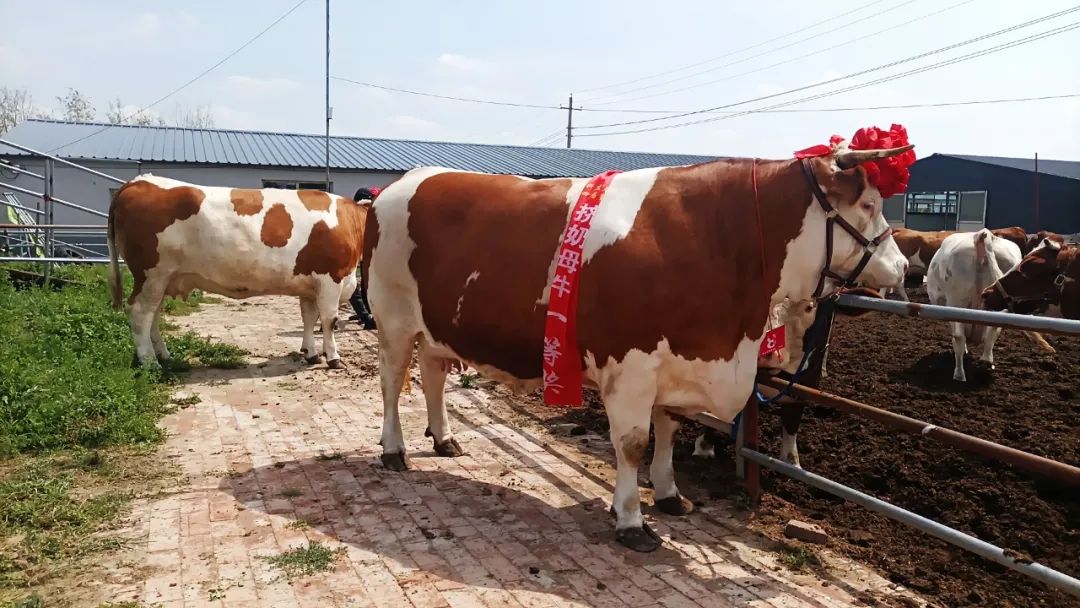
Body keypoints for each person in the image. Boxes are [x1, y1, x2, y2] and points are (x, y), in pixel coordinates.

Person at [348, 187, 380, 330]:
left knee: (360, 285)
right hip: (355, 252)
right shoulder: (357, 215)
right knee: (352, 285)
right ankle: (366, 316)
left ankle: (366, 314)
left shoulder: (365, 214)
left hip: (361, 253)